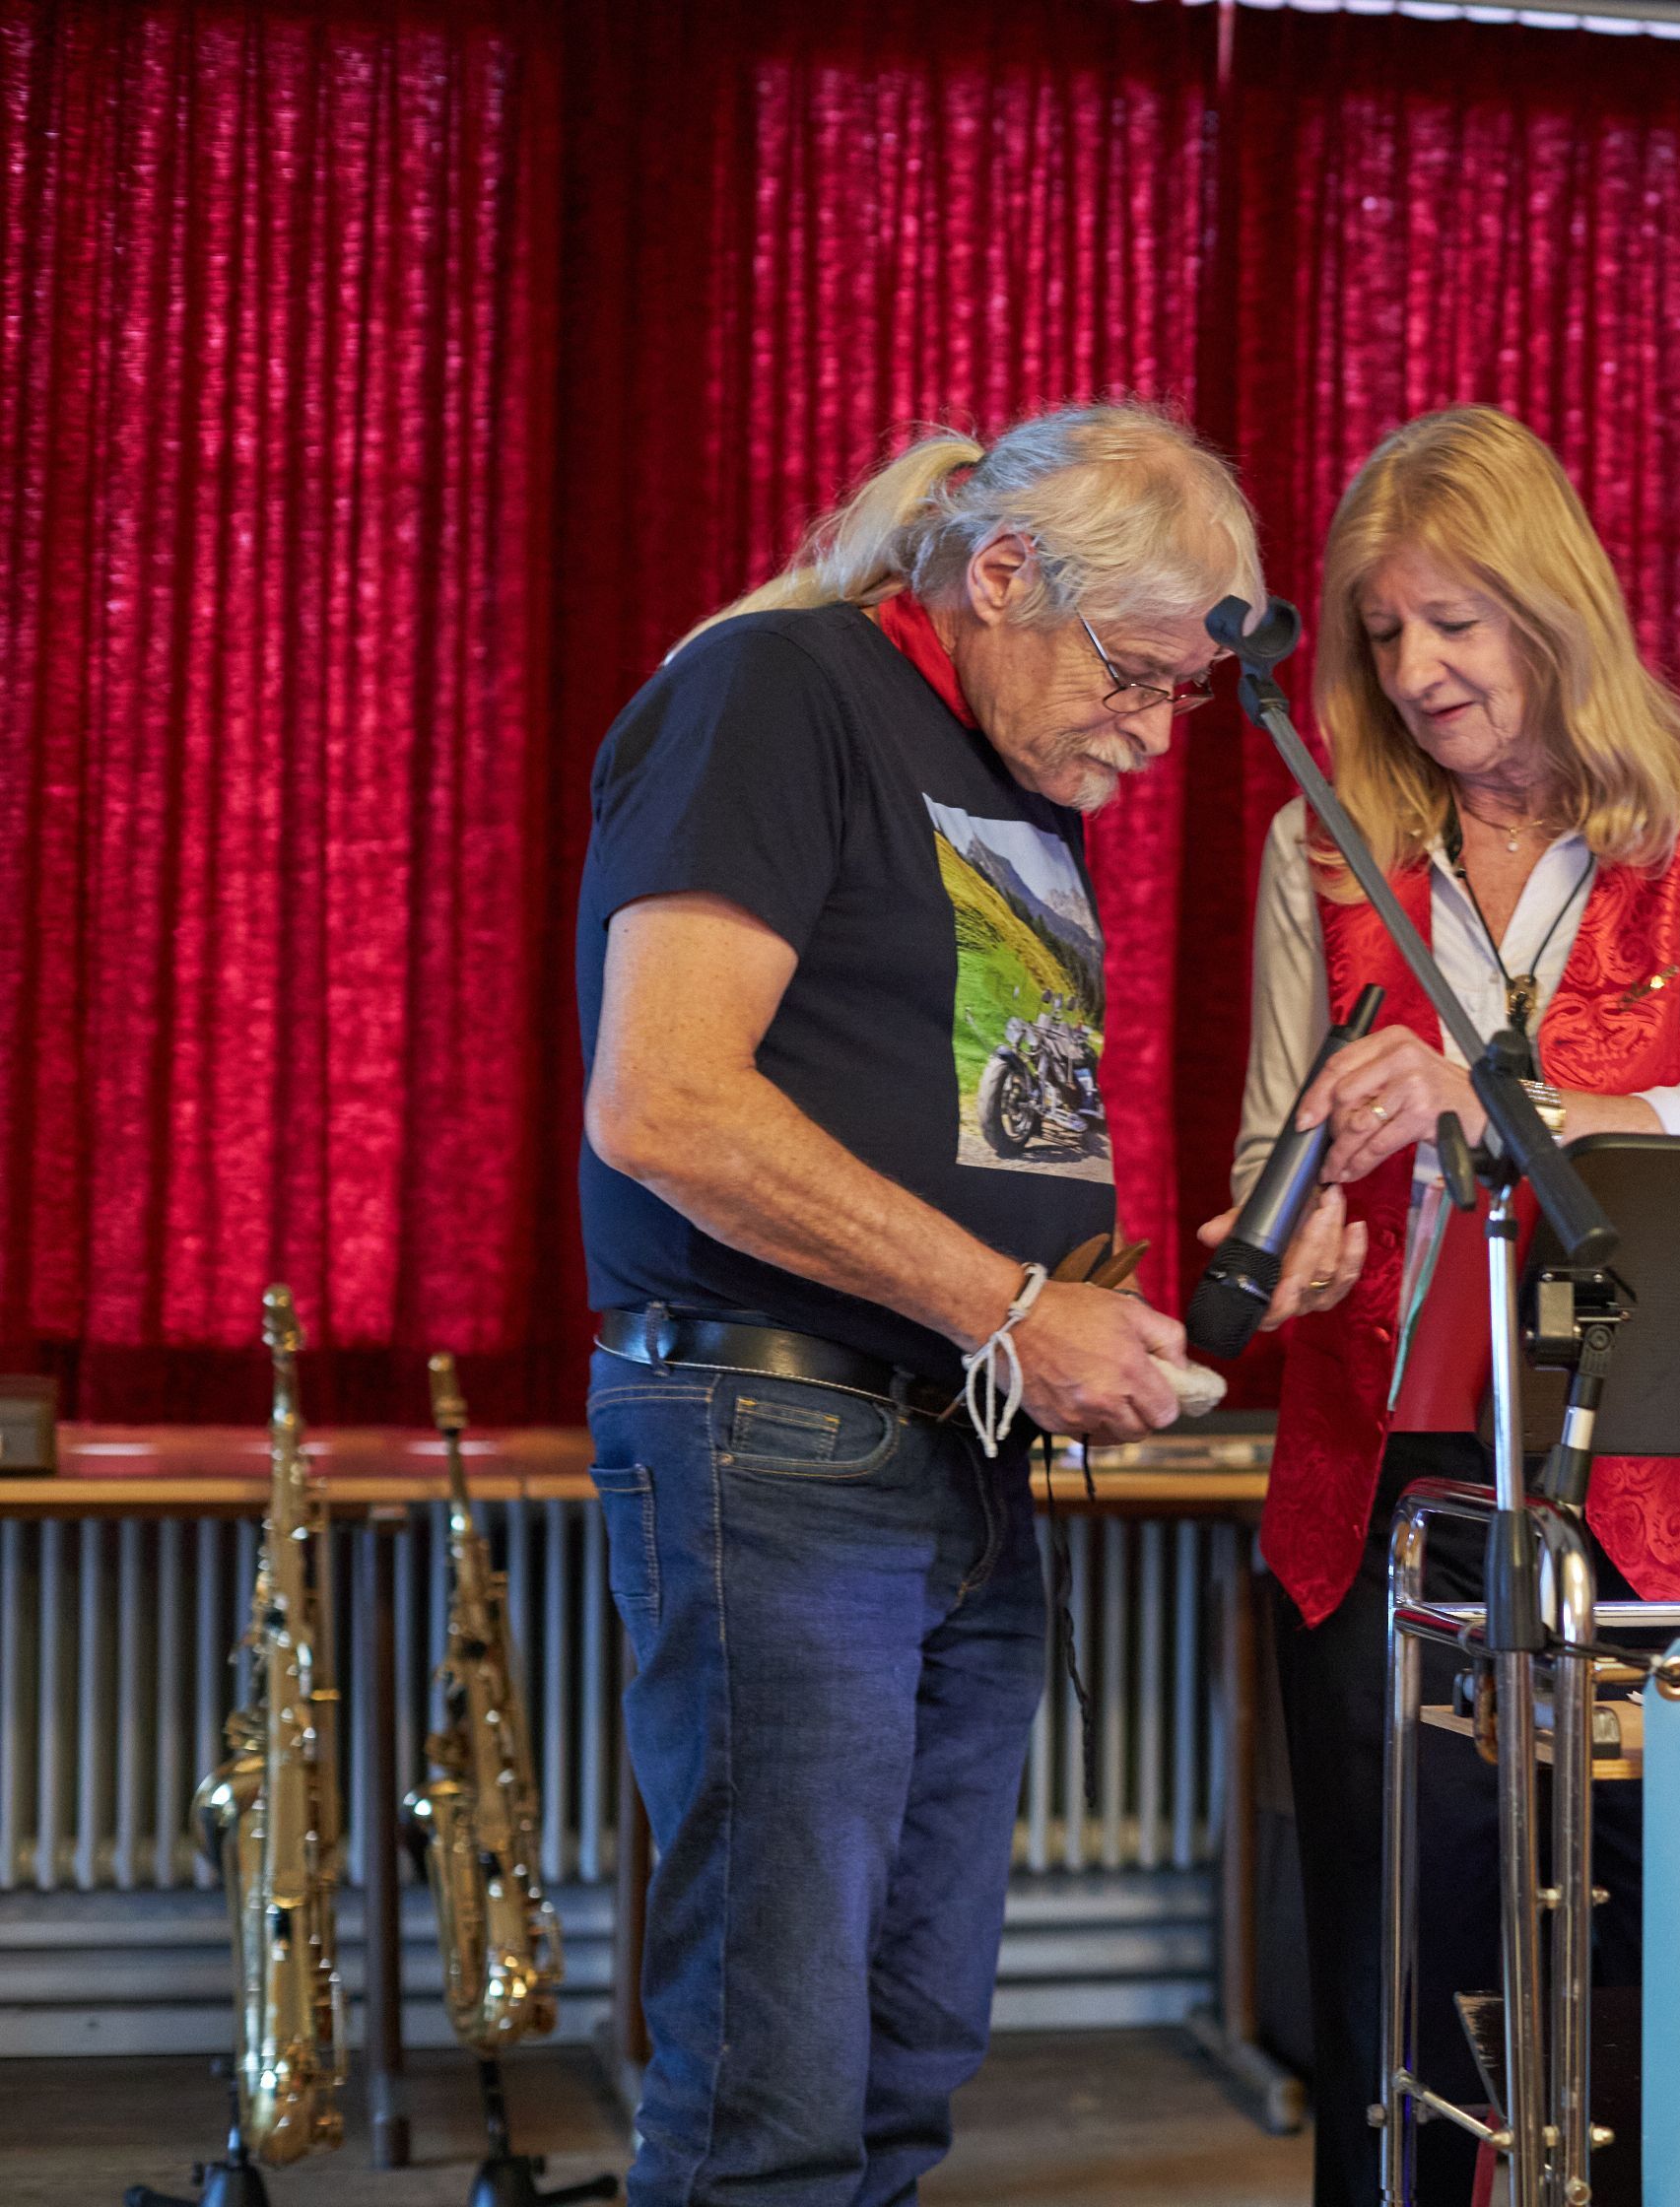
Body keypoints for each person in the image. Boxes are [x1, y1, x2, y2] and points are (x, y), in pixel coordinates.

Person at [576, 403, 1354, 2207]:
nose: (1151, 734)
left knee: (909, 2051)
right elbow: (664, 1102)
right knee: (774, 2077)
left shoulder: (1013, 777)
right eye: (1132, 676)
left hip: (961, 1446)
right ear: (1001, 573)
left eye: (1182, 698)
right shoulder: (781, 694)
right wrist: (1011, 1307)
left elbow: (968, 1160)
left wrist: (1189, 1304)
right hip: (781, 1440)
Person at [1228, 404, 1680, 2207]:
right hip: (1384, 1478)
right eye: (1384, 632)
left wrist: (1494, 1105)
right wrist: (1287, 1240)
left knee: (1655, 1977)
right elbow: (1271, 1147)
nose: (1416, 671)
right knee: (1393, 1980)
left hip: (1659, 1470)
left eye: (1455, 622)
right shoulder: (1321, 844)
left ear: (1551, 609)